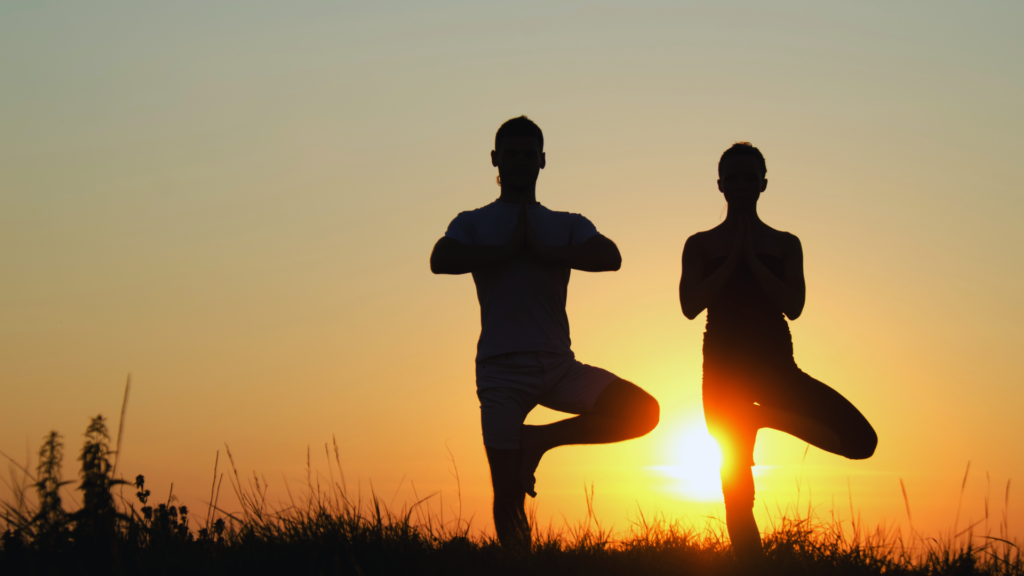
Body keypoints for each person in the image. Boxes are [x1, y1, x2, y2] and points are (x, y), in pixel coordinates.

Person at [430, 116, 660, 547]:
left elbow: (609, 256)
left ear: (543, 161)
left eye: (528, 155)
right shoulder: (473, 221)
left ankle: (539, 440)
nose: (520, 163)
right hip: (500, 371)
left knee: (644, 411)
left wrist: (546, 251)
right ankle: (522, 566)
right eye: (511, 155)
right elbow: (441, 258)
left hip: (558, 365)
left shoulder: (565, 222)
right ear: (495, 160)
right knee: (508, 493)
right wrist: (502, 251)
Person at [678, 142, 877, 557]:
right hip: (722, 377)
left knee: (861, 440)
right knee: (736, 489)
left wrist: (753, 257)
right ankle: (751, 567)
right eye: (733, 177)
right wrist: (734, 258)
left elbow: (794, 305)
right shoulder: (699, 244)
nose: (742, 184)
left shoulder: (786, 244)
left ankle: (761, 417)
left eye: (751, 177)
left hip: (778, 371)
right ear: (720, 185)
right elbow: (690, 306)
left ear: (764, 183)